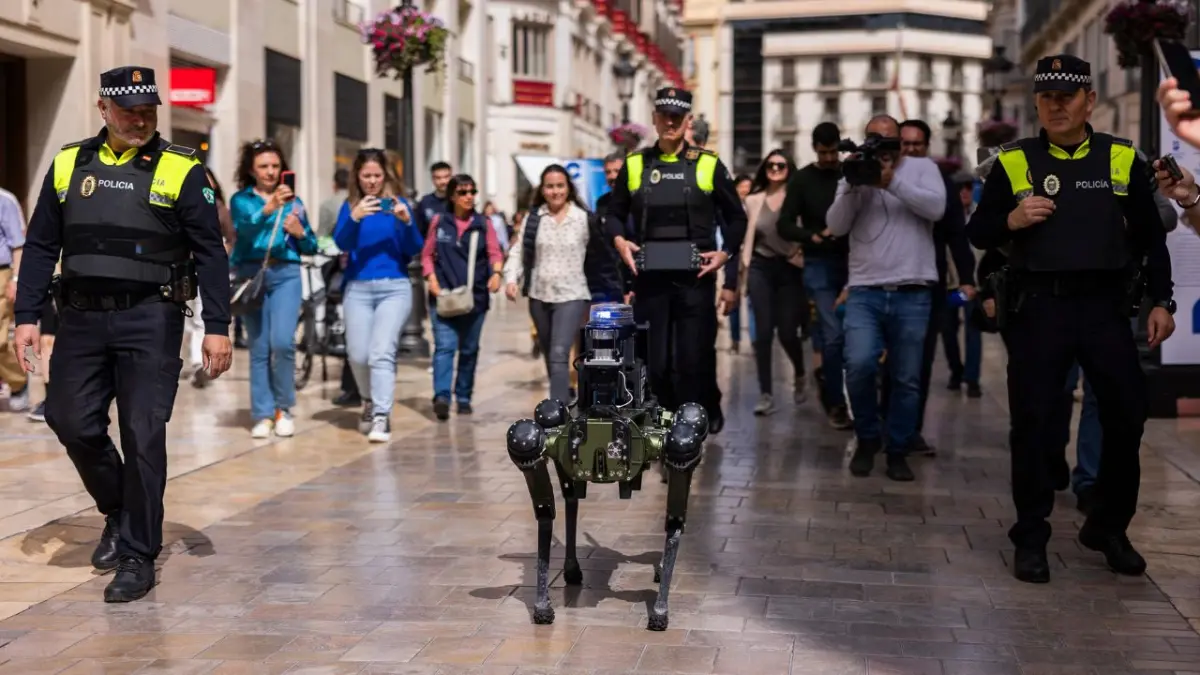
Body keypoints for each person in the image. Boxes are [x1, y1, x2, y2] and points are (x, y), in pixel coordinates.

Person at [11, 66, 233, 602]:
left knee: (143, 432)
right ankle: (119, 510)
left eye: (148, 111)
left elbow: (210, 252)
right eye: (129, 111)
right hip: (80, 318)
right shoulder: (70, 163)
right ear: (103, 108)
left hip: (151, 317)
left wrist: (218, 327)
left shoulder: (182, 168)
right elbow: (40, 245)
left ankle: (138, 555)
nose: (140, 120)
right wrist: (27, 316)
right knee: (68, 419)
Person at [967, 54, 1176, 584]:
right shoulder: (1014, 160)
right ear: (1037, 102)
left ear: (1089, 100)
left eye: (1066, 96)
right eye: (1047, 97)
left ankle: (1107, 526)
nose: (1056, 105)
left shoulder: (1121, 157)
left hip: (1105, 308)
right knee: (1033, 424)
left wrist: (1162, 301)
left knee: (1128, 415)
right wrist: (1012, 219)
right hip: (1040, 309)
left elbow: (1152, 237)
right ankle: (1031, 535)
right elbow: (979, 231)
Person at [603, 88, 747, 433]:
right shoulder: (635, 164)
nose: (670, 122)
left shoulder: (708, 164)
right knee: (655, 363)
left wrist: (725, 254)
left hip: (695, 280)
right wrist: (620, 241)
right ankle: (663, 425)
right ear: (654, 118)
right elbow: (614, 214)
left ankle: (693, 423)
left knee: (692, 358)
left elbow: (736, 218)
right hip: (650, 280)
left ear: (688, 121)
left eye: (677, 116)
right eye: (664, 115)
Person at [504, 165, 620, 404]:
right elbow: (518, 250)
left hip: (573, 295)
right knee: (550, 353)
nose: (555, 191)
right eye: (550, 186)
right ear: (542, 190)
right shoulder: (534, 218)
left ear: (568, 188)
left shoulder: (583, 219)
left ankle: (557, 411)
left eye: (560, 186)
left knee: (559, 352)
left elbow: (601, 258)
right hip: (539, 295)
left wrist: (615, 290)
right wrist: (511, 279)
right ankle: (564, 392)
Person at [229, 139, 319, 438]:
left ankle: (284, 407)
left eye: (275, 166)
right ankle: (263, 413)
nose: (270, 172)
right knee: (259, 347)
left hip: (286, 273)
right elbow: (243, 230)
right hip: (251, 274)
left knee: (282, 343)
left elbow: (311, 245)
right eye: (263, 166)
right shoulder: (241, 200)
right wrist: (269, 209)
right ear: (251, 170)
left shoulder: (295, 201)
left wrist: (300, 233)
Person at [333, 148, 423, 442]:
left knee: (381, 351)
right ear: (357, 177)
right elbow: (341, 243)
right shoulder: (350, 206)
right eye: (366, 176)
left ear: (385, 176)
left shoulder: (399, 204)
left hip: (394, 287)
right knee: (358, 355)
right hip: (358, 288)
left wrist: (406, 221)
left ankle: (382, 415)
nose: (372, 181)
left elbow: (414, 247)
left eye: (377, 175)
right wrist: (355, 218)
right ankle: (368, 401)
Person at [778, 122, 852, 428]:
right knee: (833, 334)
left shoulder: (850, 174)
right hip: (819, 263)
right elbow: (784, 224)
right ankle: (835, 401)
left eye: (834, 152)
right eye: (824, 153)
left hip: (855, 263)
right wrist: (812, 236)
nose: (830, 158)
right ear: (814, 150)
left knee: (851, 334)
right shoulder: (802, 180)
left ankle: (839, 386)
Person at [420, 173, 504, 420]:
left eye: (472, 192)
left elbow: (495, 252)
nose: (469, 197)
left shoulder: (483, 223)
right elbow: (427, 254)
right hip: (443, 295)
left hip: (474, 298)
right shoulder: (439, 221)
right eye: (462, 192)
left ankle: (464, 396)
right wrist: (431, 278)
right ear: (452, 196)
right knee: (445, 347)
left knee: (468, 349)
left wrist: (496, 274)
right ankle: (442, 396)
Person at [739, 150, 806, 415]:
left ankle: (800, 372)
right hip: (760, 267)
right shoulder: (753, 200)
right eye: (770, 165)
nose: (775, 169)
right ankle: (765, 393)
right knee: (763, 333)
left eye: (781, 165)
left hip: (789, 268)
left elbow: (805, 229)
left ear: (789, 168)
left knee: (788, 332)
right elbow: (746, 236)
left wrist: (800, 254)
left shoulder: (797, 197)